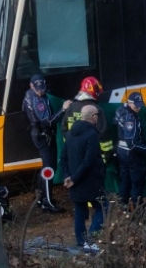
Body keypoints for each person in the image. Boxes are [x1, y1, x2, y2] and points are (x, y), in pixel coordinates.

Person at [61, 104, 106, 252]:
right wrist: (74, 178)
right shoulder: (91, 134)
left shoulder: (70, 134)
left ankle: (81, 243)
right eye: (97, 116)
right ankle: (91, 240)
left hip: (75, 183)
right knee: (103, 208)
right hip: (91, 182)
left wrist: (67, 176)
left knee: (80, 211)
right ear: (93, 117)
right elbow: (89, 161)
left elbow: (63, 158)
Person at [23, 74, 67, 213]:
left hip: (39, 134)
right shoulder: (38, 101)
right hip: (43, 136)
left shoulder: (30, 94)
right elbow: (48, 122)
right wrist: (63, 109)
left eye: (42, 88)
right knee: (49, 169)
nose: (41, 92)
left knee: (47, 167)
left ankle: (42, 198)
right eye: (38, 89)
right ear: (32, 86)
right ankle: (47, 202)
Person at [114, 92, 146, 209]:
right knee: (137, 183)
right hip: (131, 155)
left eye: (140, 105)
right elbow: (132, 143)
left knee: (125, 180)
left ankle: (123, 207)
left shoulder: (120, 111)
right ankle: (137, 210)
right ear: (129, 103)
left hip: (121, 152)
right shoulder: (131, 119)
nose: (139, 108)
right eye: (136, 105)